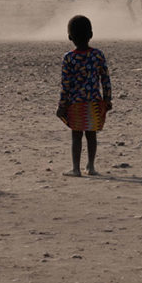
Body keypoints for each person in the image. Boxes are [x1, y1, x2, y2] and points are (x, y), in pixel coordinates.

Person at [56, 15, 112, 177]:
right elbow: (105, 79)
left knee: (76, 136)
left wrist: (62, 105)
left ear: (69, 37)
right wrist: (107, 99)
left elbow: (65, 85)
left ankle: (76, 168)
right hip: (94, 101)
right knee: (91, 134)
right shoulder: (98, 55)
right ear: (91, 35)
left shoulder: (69, 58)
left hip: (75, 103)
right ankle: (91, 166)